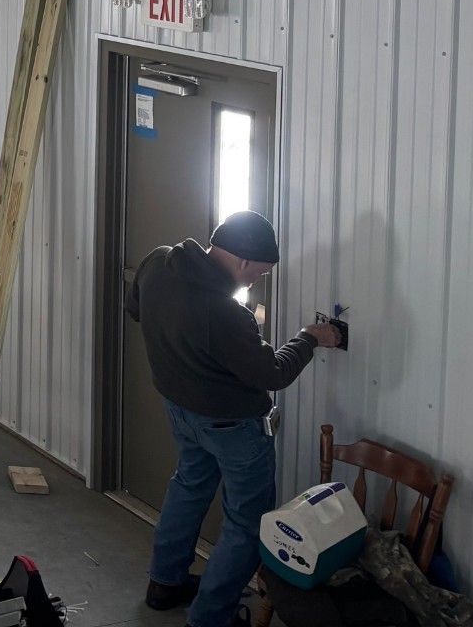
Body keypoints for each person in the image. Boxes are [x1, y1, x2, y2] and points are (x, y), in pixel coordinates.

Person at [127, 211, 340, 627]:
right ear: (242, 262)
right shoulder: (223, 311)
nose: (254, 282)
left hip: (180, 408)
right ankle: (211, 618)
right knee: (246, 523)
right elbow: (273, 374)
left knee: (189, 486)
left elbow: (137, 310)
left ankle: (163, 585)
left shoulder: (157, 262)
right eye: (258, 274)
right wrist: (309, 337)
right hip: (233, 428)